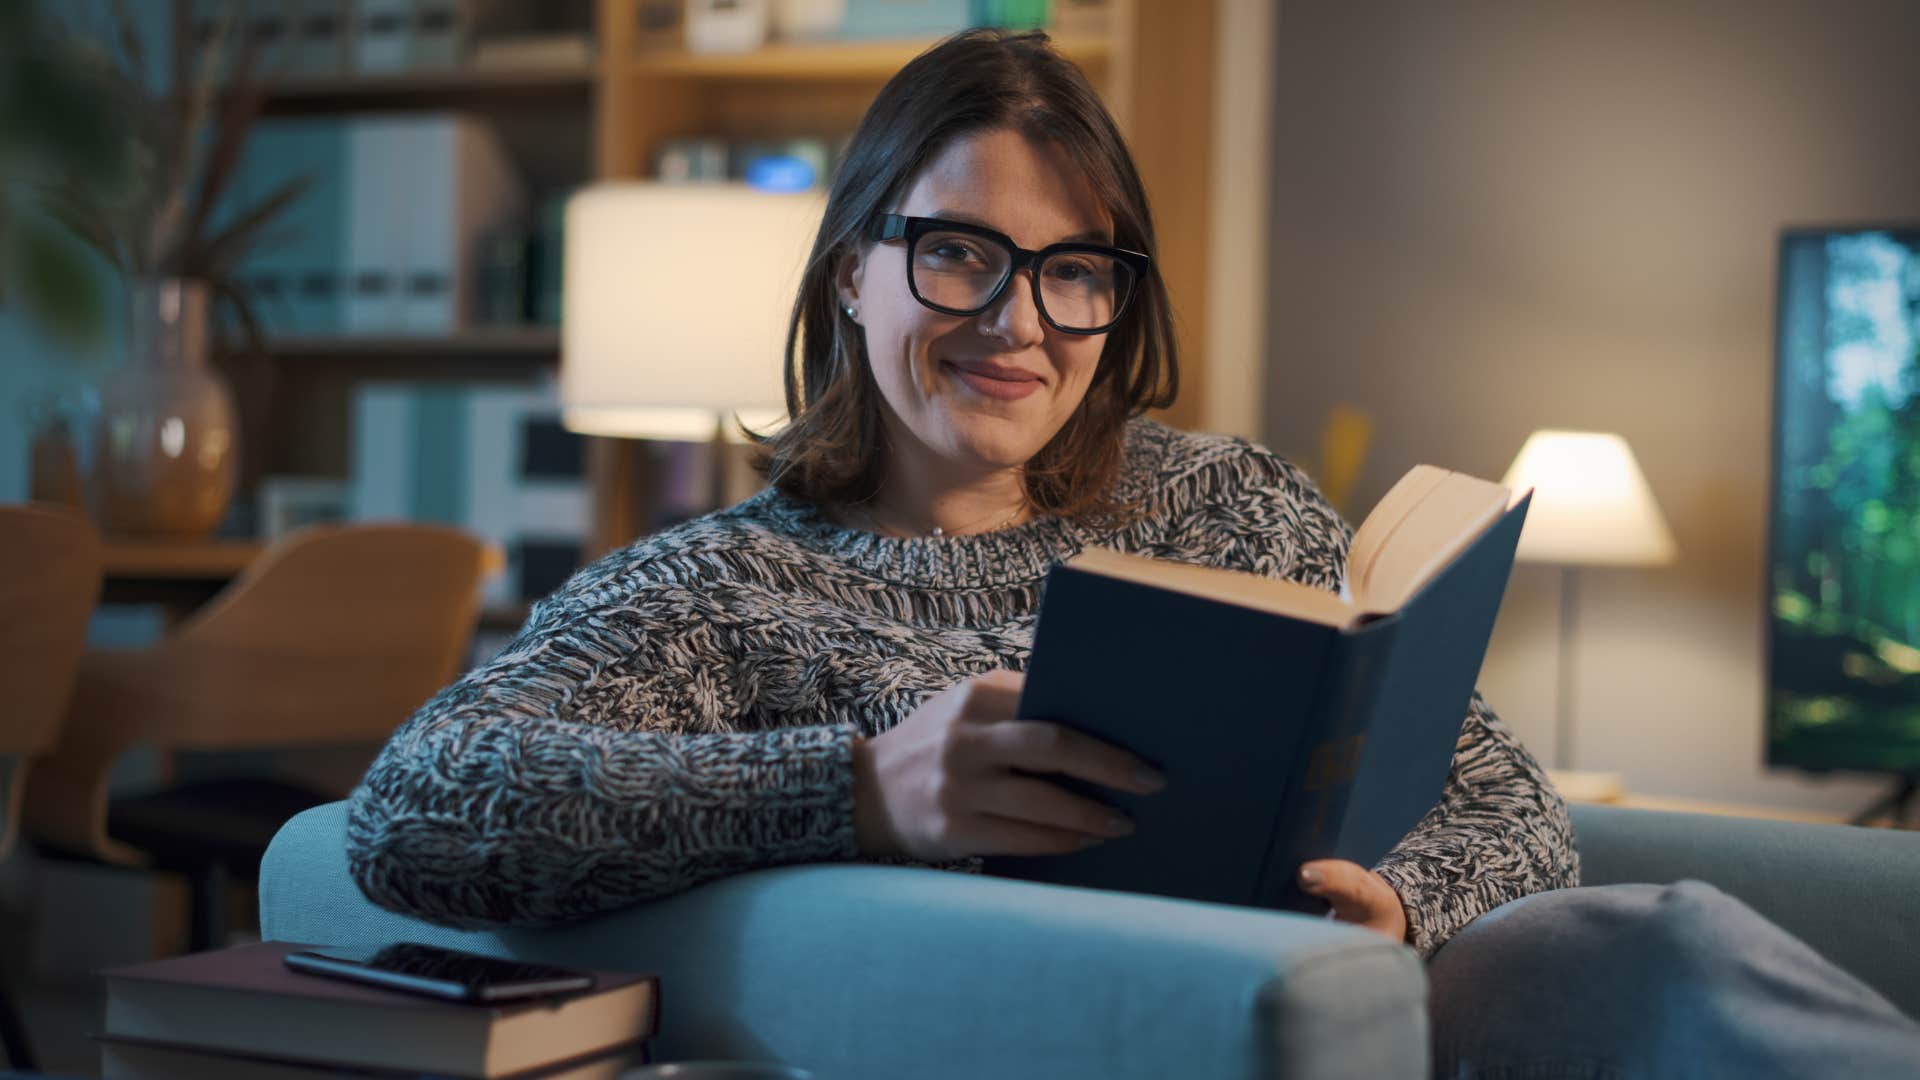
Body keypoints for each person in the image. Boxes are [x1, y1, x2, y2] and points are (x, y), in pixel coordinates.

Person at [347, 29, 1920, 1078]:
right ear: (851, 278)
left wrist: (1395, 907)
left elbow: (1504, 795)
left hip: (1369, 1023)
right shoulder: (721, 587)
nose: (1018, 322)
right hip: (1100, 1035)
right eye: (959, 251)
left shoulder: (1220, 501)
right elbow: (413, 808)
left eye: (1073, 270)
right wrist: (853, 791)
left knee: (1654, 942)